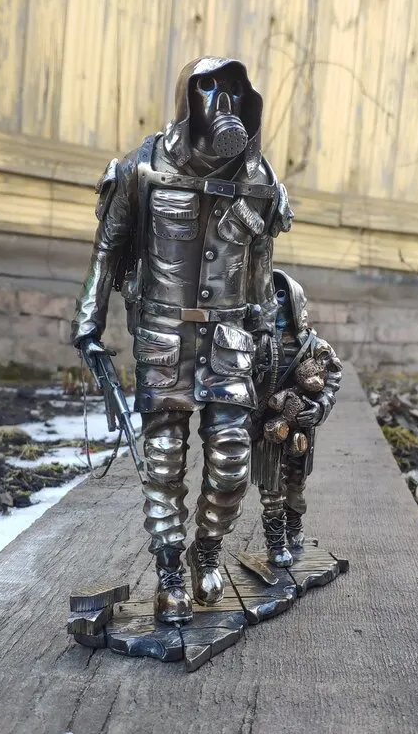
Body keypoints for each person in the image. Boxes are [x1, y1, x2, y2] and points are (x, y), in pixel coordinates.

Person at [71, 57, 292, 622]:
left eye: (234, 90)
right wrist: (88, 322)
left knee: (232, 463)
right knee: (164, 462)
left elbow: (261, 265)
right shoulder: (142, 166)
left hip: (230, 339)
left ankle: (207, 550)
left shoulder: (259, 178)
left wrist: (268, 331)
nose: (223, 102)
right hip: (164, 336)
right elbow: (108, 247)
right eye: (209, 87)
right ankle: (169, 568)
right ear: (187, 97)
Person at [251, 270, 342, 566]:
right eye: (271, 295)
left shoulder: (315, 345)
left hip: (301, 427)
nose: (276, 303)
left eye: (282, 296)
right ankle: (276, 544)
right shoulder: (255, 343)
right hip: (266, 425)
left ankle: (294, 527)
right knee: (271, 489)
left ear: (294, 302)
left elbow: (333, 377)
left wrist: (321, 407)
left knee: (296, 483)